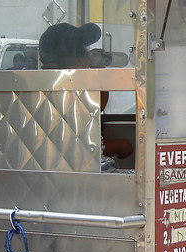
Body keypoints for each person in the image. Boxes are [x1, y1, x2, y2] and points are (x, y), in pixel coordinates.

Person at [39, 22, 133, 161]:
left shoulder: (42, 84)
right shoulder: (67, 90)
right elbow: (80, 149)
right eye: (82, 51)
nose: (87, 55)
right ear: (71, 59)